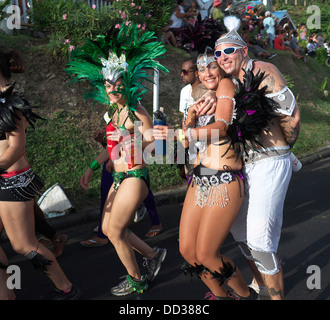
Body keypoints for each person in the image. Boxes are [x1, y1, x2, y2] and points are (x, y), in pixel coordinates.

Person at [66, 25, 168, 296]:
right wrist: (91, 167)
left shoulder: (137, 111)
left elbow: (154, 147)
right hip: (118, 177)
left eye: (117, 84)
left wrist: (136, 142)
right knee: (111, 229)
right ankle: (151, 255)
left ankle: (137, 279)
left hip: (135, 177)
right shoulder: (114, 112)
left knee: (114, 231)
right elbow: (110, 149)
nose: (112, 89)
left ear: (127, 83)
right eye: (108, 84)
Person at [214, 15, 301, 299]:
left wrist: (286, 148)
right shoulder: (229, 85)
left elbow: (292, 115)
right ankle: (260, 284)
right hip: (244, 166)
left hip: (269, 161)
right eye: (218, 52)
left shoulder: (262, 69)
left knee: (260, 242)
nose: (223, 56)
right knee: (240, 235)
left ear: (243, 51)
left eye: (229, 50)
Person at [0, 48, 80, 300]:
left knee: (23, 245)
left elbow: (17, 146)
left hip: (11, 181)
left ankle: (66, 288)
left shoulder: (10, 100)